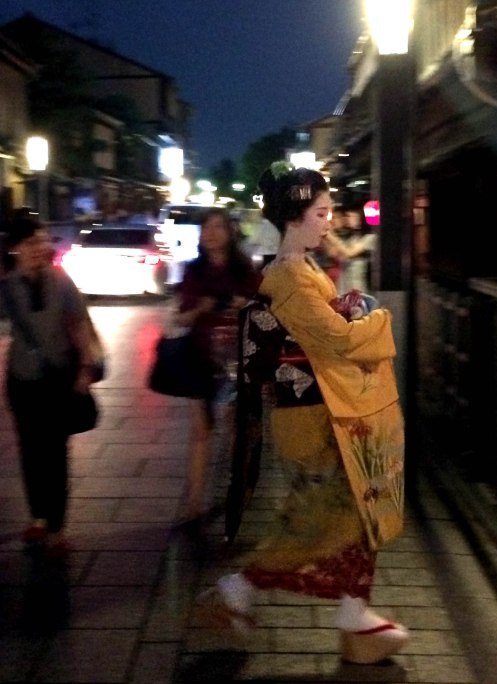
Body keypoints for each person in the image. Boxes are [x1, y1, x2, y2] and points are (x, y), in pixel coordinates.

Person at [202, 161, 408, 665]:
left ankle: (353, 612)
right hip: (315, 415)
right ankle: (241, 589)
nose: (329, 221)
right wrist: (377, 318)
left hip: (323, 409)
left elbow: (327, 327)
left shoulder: (298, 267)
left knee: (353, 508)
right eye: (321, 212)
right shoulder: (291, 275)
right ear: (295, 217)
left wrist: (348, 307)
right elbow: (335, 339)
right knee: (327, 517)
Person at [0, 211, 97, 557]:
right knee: (30, 450)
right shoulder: (2, 289)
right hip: (21, 382)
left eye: (43, 240)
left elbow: (80, 325)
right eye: (31, 242)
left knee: (56, 452)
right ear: (15, 248)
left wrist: (85, 369)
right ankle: (37, 518)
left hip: (59, 378)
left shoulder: (61, 281)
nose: (40, 247)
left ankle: (57, 528)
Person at [174, 207, 261, 522]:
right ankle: (195, 502)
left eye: (218, 226)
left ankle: (234, 490)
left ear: (230, 232)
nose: (210, 232)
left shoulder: (244, 271)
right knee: (201, 429)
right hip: (200, 357)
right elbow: (180, 317)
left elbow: (263, 307)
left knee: (235, 428)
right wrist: (200, 308)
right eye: (205, 227)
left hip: (235, 359)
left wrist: (245, 305)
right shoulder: (193, 271)